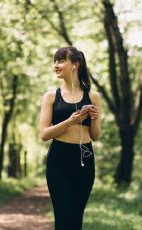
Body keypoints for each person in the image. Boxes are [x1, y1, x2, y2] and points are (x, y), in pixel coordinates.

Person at [39, 46, 101, 230]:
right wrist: (70, 121)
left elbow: (96, 136)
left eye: (60, 61)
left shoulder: (93, 96)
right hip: (59, 159)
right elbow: (44, 134)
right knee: (63, 218)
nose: (56, 65)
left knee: (76, 219)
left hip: (85, 158)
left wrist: (95, 119)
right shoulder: (51, 96)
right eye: (55, 61)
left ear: (75, 65)